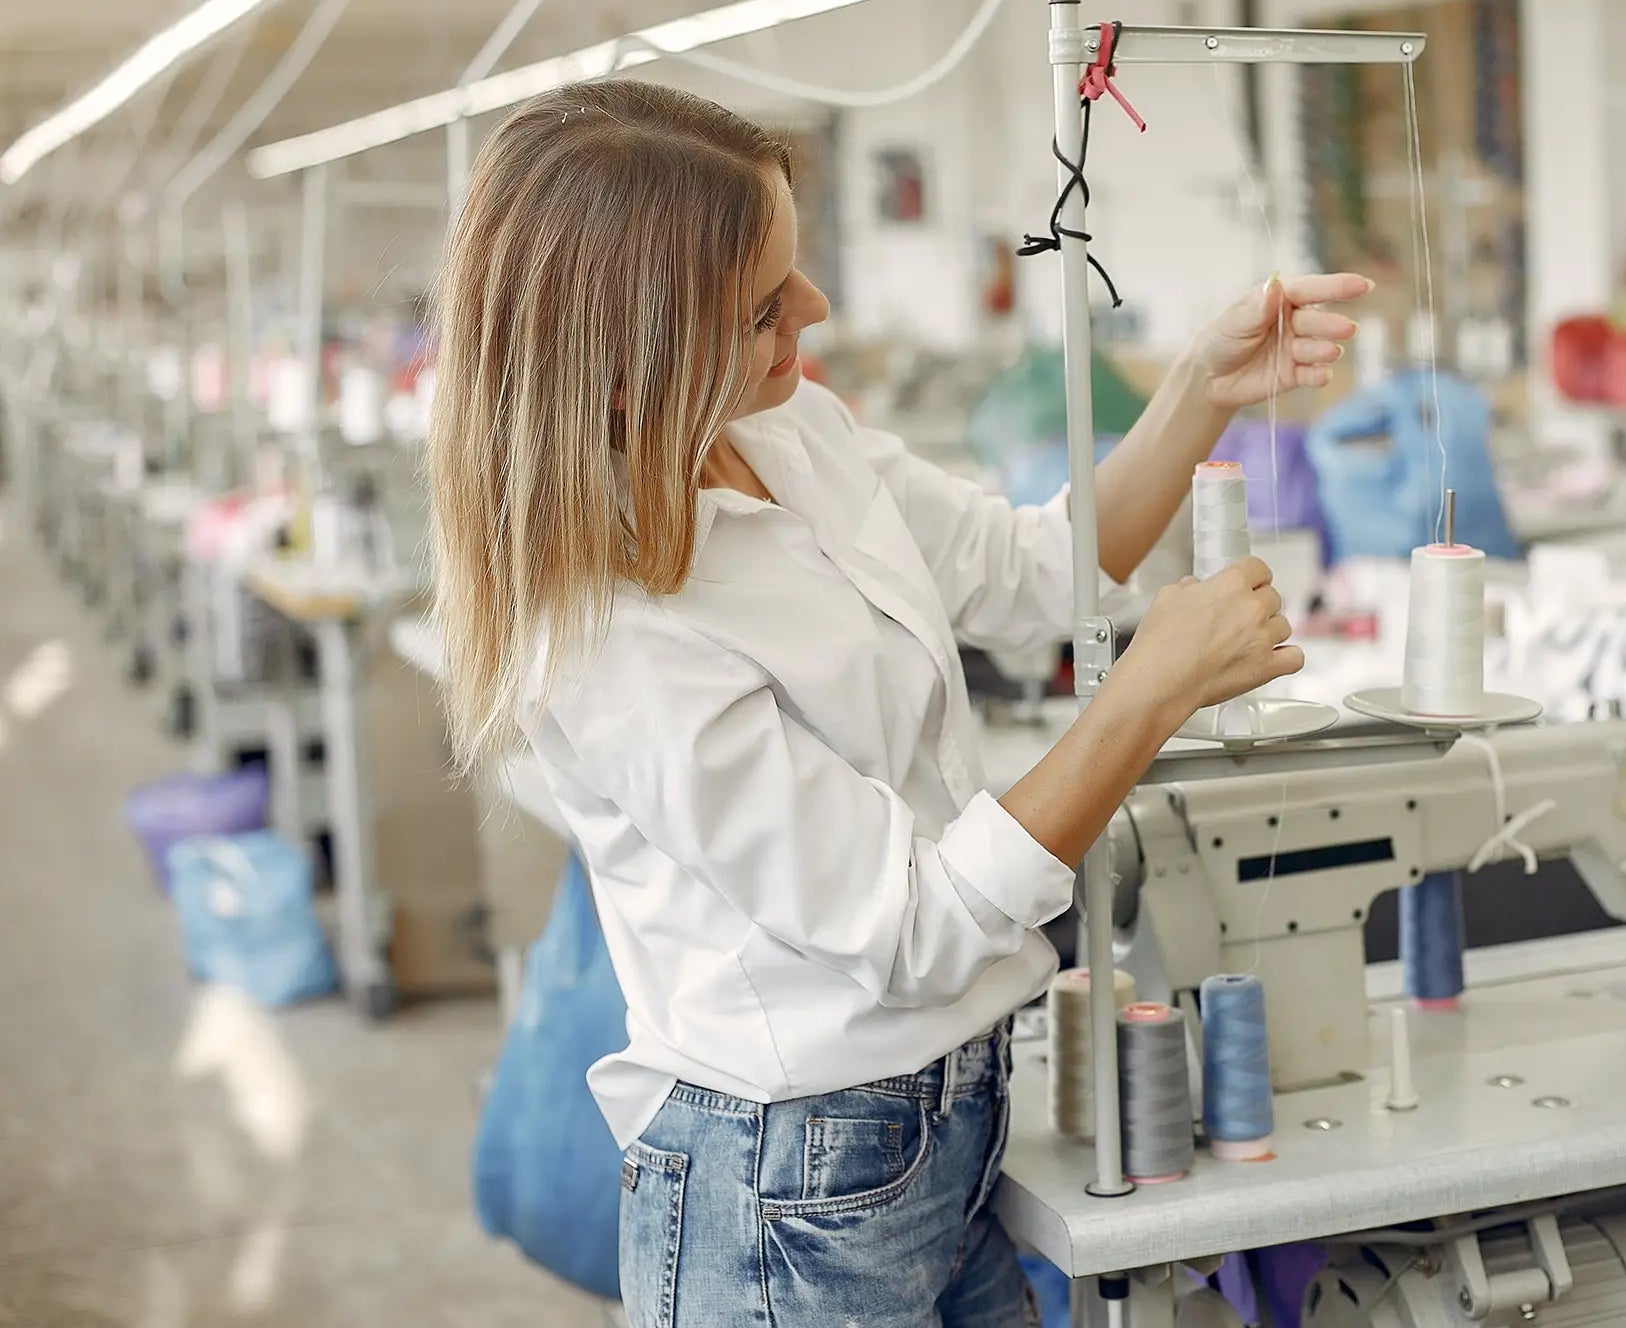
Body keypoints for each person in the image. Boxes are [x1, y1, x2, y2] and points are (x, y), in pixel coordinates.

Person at [426, 78, 1368, 1328]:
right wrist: (1148, 692)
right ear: (623, 369)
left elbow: (1037, 569)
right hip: (788, 1181)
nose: (813, 310)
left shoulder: (787, 431)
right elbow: (911, 921)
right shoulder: (603, 632)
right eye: (765, 305)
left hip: (945, 1117)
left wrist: (1200, 382)